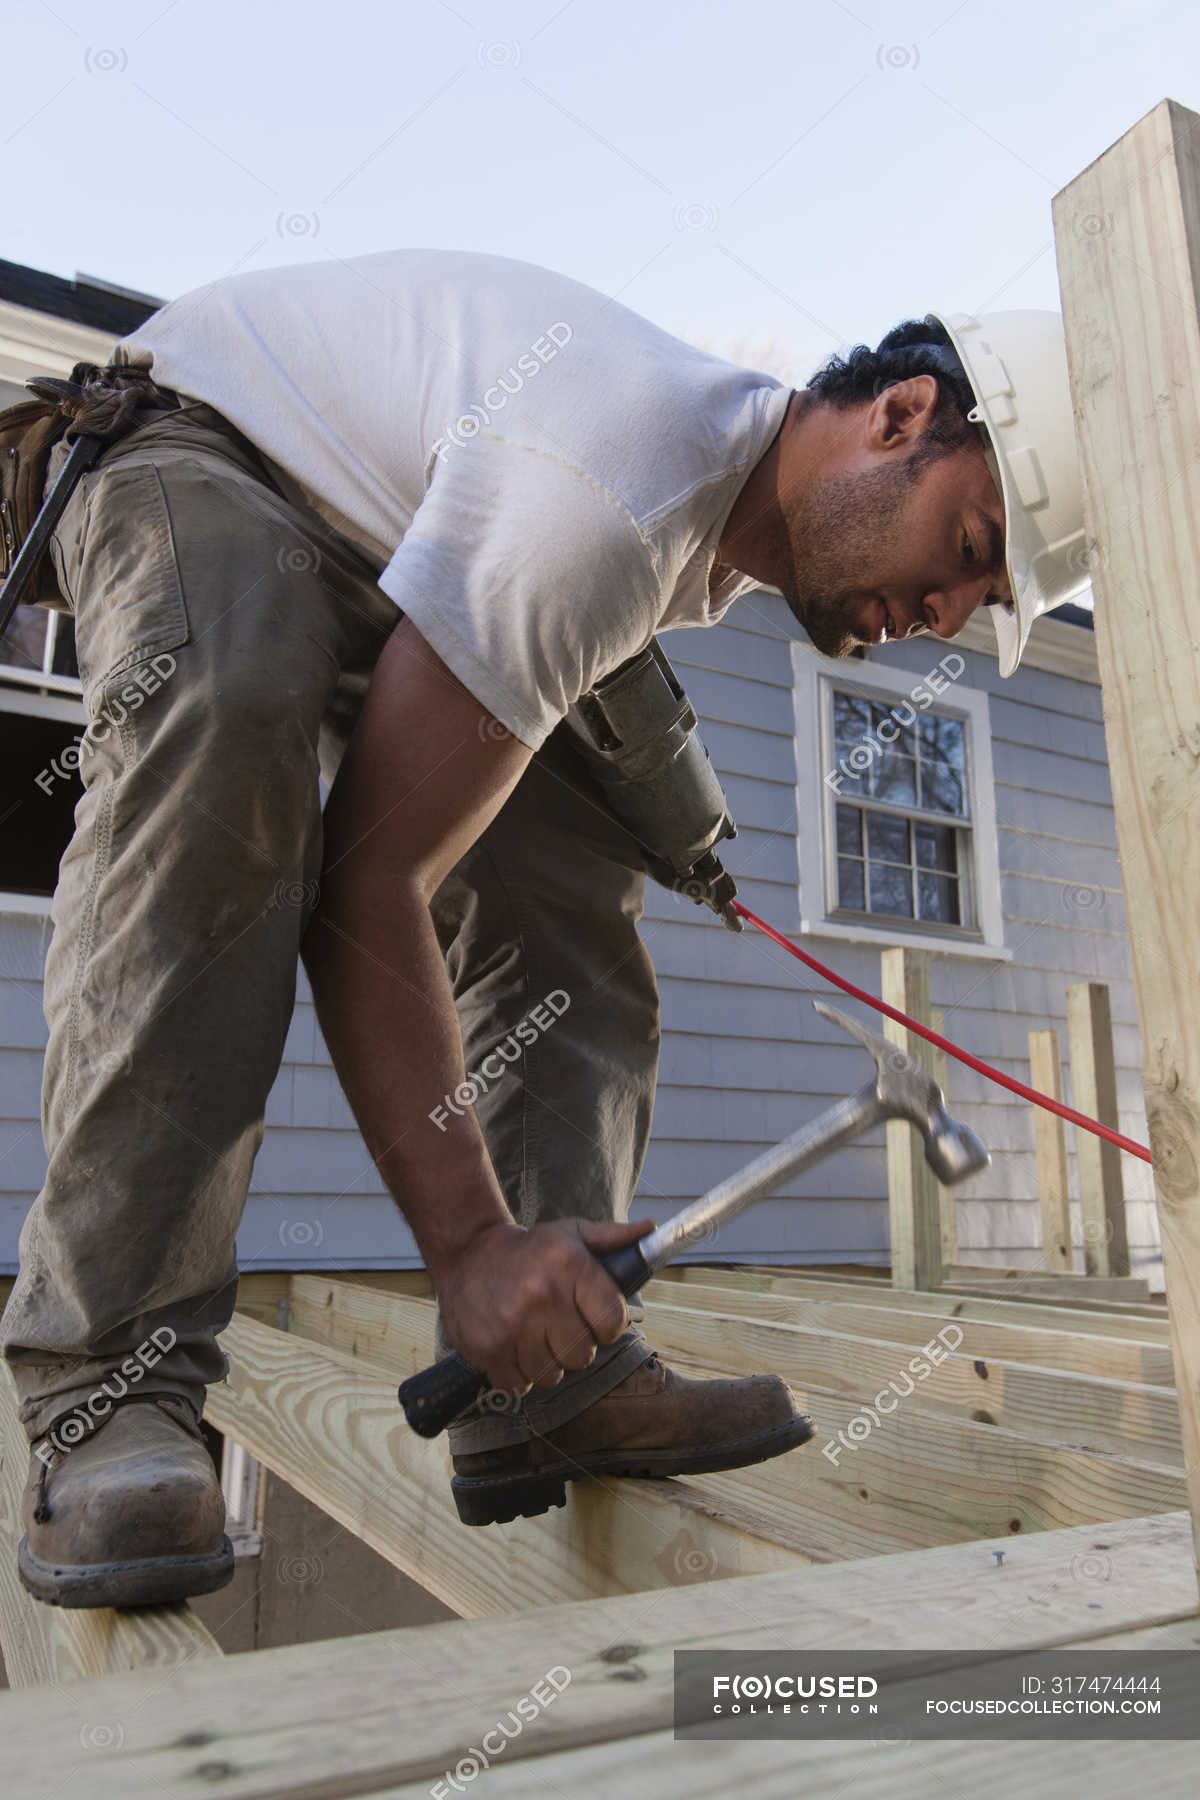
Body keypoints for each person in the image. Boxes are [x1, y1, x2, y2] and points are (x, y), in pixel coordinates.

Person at [0, 248, 1086, 1607]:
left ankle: (548, 1367)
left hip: (389, 532)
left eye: (978, 608)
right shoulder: (615, 488)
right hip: (204, 439)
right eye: (970, 550)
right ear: (905, 416)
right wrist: (464, 1247)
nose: (941, 614)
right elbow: (367, 893)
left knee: (564, 850)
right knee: (227, 689)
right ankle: (110, 1381)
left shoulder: (677, 526)